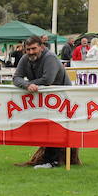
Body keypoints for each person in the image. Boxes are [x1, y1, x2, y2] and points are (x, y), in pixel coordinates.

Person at [12, 36, 69, 169]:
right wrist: (26, 86)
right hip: (45, 98)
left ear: (41, 47)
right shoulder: (25, 58)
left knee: (54, 127)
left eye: (34, 49)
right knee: (45, 126)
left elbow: (48, 79)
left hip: (62, 97)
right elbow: (16, 78)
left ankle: (52, 161)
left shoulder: (50, 58)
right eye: (28, 49)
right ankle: (49, 159)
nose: (31, 52)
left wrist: (28, 84)